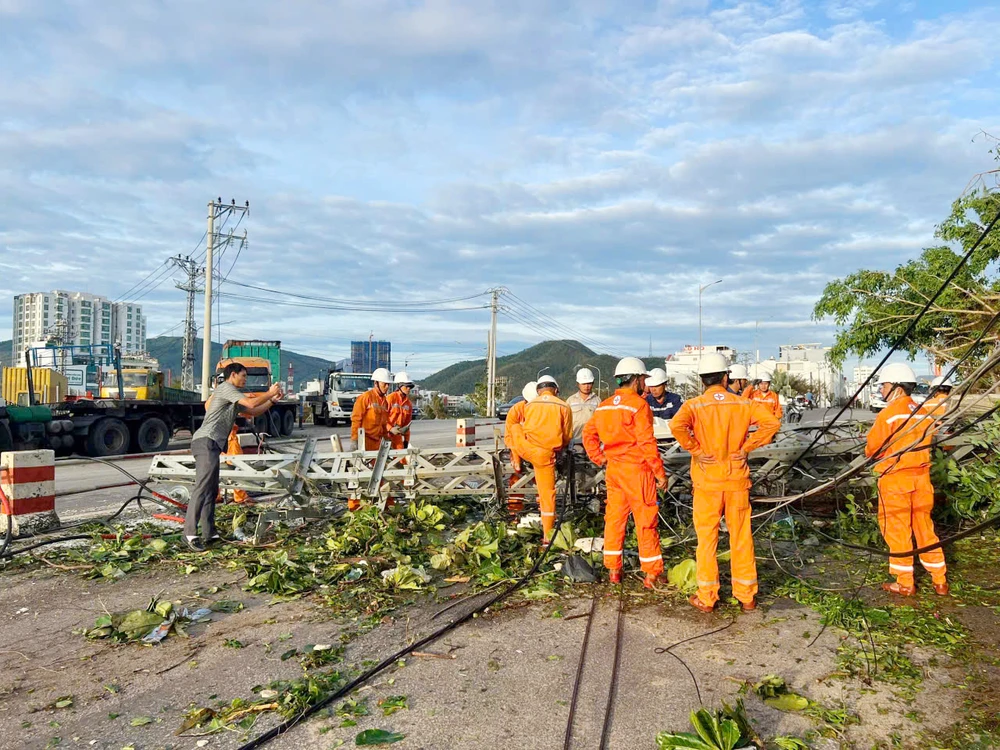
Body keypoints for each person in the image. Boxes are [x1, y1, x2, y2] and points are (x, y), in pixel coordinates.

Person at [670, 353, 781, 612]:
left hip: (707, 482)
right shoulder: (742, 404)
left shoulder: (694, 405)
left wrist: (696, 450)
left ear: (702, 380)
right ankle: (747, 597)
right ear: (725, 377)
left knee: (707, 539)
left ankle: (707, 597)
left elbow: (676, 426)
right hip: (736, 481)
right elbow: (772, 423)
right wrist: (747, 447)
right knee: (741, 537)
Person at [583, 357, 668, 587]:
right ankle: (651, 574)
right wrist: (659, 472)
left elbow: (588, 434)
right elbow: (647, 442)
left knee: (614, 519)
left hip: (614, 470)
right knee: (645, 520)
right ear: (637, 379)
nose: (646, 385)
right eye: (644, 380)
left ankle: (613, 570)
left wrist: (600, 458)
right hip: (637, 471)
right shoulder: (639, 405)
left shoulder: (604, 405)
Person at [866, 363, 948, 597]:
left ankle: (905, 583)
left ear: (897, 388)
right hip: (921, 479)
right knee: (925, 528)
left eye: (884, 386)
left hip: (896, 479)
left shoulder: (889, 414)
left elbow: (872, 449)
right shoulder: (922, 412)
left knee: (897, 530)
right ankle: (940, 580)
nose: (882, 390)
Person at [185, 363, 282, 552]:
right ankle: (189, 534)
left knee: (211, 490)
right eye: (243, 375)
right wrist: (270, 392)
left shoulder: (233, 398)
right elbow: (252, 403)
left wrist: (272, 400)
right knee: (202, 487)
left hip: (212, 444)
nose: (245, 379)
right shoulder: (226, 388)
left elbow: (253, 411)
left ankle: (210, 534)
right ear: (233, 375)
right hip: (206, 441)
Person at [506, 374, 572, 546]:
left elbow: (516, 431)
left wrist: (516, 449)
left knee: (515, 428)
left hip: (525, 449)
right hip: (545, 456)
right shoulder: (563, 406)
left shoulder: (528, 406)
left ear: (539, 390)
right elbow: (567, 436)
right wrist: (559, 448)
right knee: (547, 495)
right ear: (556, 390)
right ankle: (547, 536)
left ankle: (516, 459)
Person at [351, 368, 392, 451]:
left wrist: (386, 439)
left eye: (388, 384)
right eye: (384, 384)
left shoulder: (385, 402)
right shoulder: (365, 397)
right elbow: (356, 419)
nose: (387, 387)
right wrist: (355, 440)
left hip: (378, 442)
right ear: (376, 383)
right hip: (365, 441)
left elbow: (384, 424)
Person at [504, 381, 537, 473]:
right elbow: (509, 436)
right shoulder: (516, 410)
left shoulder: (545, 410)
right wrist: (516, 454)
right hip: (519, 447)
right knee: (516, 428)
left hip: (539, 448)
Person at [566, 367, 600, 438]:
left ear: (593, 383)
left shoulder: (597, 401)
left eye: (589, 383)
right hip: (575, 441)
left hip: (592, 440)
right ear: (578, 384)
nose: (586, 386)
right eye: (583, 384)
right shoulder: (570, 401)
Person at [386, 371, 415, 449]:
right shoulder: (390, 399)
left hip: (397, 438)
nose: (408, 389)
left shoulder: (408, 404)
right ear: (399, 385)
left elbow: (407, 426)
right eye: (406, 386)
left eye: (410, 387)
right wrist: (390, 429)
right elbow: (381, 419)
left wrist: (406, 441)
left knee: (401, 456)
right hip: (385, 436)